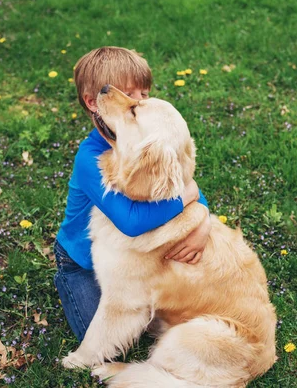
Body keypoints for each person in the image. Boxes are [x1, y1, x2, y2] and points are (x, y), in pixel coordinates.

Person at [54, 46, 212, 341]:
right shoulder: (91, 158)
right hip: (82, 262)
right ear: (94, 103)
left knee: (158, 321)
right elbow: (132, 221)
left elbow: (179, 182)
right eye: (128, 95)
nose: (138, 102)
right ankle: (69, 284)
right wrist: (187, 196)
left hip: (128, 255)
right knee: (102, 335)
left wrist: (203, 221)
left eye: (143, 94)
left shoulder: (146, 144)